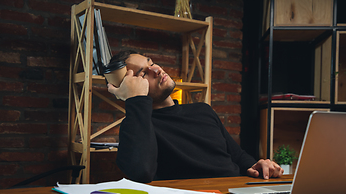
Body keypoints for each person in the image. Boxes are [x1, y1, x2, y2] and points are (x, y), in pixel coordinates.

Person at [107, 50, 284, 183]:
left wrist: (257, 165)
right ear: (131, 87)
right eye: (144, 73)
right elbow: (141, 172)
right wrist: (135, 100)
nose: (157, 69)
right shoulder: (137, 127)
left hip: (239, 191)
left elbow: (237, 156)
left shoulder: (202, 110)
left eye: (151, 62)